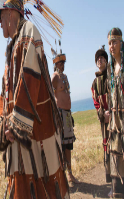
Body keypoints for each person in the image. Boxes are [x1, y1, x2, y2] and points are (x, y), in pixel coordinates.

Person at [0, 0, 69, 198]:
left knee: (41, 185)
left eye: (0, 18)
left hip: (35, 134)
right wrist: (6, 123)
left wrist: (16, 126)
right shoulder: (14, 44)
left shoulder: (28, 32)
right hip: (20, 135)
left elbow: (29, 79)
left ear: (10, 14)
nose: (0, 24)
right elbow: (7, 93)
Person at [51, 54, 78, 184]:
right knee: (61, 146)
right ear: (56, 64)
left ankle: (70, 174)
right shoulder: (55, 77)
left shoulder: (65, 77)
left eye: (63, 63)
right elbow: (49, 93)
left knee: (68, 146)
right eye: (60, 63)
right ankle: (61, 177)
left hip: (67, 115)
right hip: (60, 114)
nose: (62, 65)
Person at [91, 46, 112, 191]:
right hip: (104, 120)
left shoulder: (112, 77)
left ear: (106, 60)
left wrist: (112, 112)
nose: (100, 60)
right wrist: (102, 114)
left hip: (115, 117)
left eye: (102, 58)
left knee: (118, 146)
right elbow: (96, 102)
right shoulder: (94, 83)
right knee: (107, 147)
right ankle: (112, 182)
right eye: (98, 58)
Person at [107, 27, 124, 198]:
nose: (112, 46)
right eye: (110, 43)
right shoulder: (111, 69)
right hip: (115, 120)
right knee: (116, 154)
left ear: (121, 42)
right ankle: (117, 190)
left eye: (114, 42)